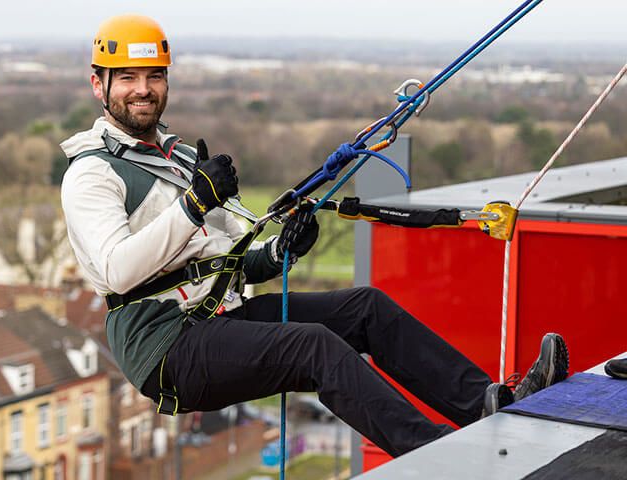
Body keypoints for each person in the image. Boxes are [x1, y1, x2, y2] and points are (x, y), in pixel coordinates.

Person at [60, 14, 570, 457]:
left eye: (153, 76)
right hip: (165, 347)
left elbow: (225, 261)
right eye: (126, 77)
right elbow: (117, 271)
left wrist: (280, 251)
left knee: (366, 308)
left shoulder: (180, 158)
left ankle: (492, 404)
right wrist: (195, 205)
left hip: (217, 316)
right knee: (313, 347)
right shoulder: (92, 173)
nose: (142, 89)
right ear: (97, 85)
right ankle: (436, 457)